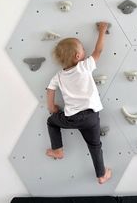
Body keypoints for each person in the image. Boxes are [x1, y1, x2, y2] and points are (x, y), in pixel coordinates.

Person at [46, 22, 112, 184]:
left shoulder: (59, 76)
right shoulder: (84, 67)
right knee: (95, 145)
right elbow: (99, 51)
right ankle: (101, 174)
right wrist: (102, 31)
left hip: (72, 118)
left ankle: (58, 150)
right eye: (83, 49)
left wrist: (52, 107)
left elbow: (50, 89)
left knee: (51, 121)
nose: (85, 51)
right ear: (78, 56)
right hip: (91, 117)